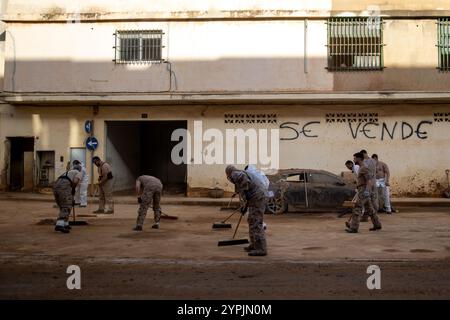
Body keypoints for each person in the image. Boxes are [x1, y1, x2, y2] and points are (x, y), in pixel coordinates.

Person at [226, 165, 268, 257]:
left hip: (258, 197)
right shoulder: (239, 173)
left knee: (256, 221)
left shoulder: (236, 174)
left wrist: (247, 198)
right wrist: (245, 204)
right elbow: (245, 190)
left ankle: (261, 248)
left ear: (229, 173)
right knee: (251, 220)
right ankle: (254, 245)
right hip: (257, 196)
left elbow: (245, 184)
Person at [345, 153, 382, 233]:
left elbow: (369, 180)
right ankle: (377, 224)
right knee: (370, 209)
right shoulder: (362, 168)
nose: (354, 160)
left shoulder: (364, 168)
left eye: (355, 158)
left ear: (359, 159)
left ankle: (354, 227)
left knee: (357, 208)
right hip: (363, 189)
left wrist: (366, 191)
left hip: (363, 190)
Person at [53, 165, 83, 233]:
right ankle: (59, 225)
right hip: (64, 186)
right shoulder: (79, 173)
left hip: (56, 185)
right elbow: (75, 181)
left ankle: (65, 224)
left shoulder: (68, 172)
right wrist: (73, 189)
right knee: (66, 205)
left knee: (63, 205)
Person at [360, 149, 378, 214]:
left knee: (369, 198)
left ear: (364, 154)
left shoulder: (366, 162)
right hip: (373, 181)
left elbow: (368, 172)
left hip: (368, 181)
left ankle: (371, 212)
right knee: (373, 198)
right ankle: (374, 211)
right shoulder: (373, 161)